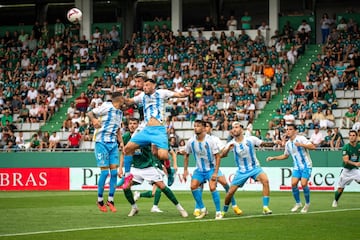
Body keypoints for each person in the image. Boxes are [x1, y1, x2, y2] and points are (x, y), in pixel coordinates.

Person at [122, 78, 190, 188]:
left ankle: (169, 171)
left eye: (147, 85)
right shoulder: (142, 96)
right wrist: (121, 97)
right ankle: (127, 176)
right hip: (146, 130)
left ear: (154, 86)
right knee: (127, 149)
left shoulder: (161, 93)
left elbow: (178, 95)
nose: (145, 87)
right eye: (144, 86)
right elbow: (129, 101)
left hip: (159, 130)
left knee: (162, 155)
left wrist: (185, 93)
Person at [119, 118, 188, 218]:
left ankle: (180, 208)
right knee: (125, 187)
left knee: (162, 187)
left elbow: (156, 149)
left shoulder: (145, 134)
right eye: (130, 124)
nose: (132, 125)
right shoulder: (125, 137)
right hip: (135, 168)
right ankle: (134, 208)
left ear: (138, 125)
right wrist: (121, 168)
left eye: (134, 123)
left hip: (148, 166)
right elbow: (124, 153)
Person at [221, 122, 274, 216]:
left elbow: (263, 144)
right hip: (241, 171)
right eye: (233, 128)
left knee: (265, 180)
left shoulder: (251, 139)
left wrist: (274, 142)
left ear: (241, 129)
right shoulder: (231, 143)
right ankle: (224, 211)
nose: (234, 129)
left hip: (254, 168)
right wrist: (228, 148)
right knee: (230, 192)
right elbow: (222, 155)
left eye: (236, 127)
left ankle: (265, 207)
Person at [191, 121, 242, 216]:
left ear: (210, 128)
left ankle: (234, 205)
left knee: (225, 183)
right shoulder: (195, 139)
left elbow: (222, 151)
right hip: (200, 167)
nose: (205, 128)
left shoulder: (214, 139)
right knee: (198, 186)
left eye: (207, 126)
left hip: (213, 167)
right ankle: (198, 208)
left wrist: (227, 150)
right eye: (204, 126)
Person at [87, 92, 125, 213]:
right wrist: (94, 120)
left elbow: (118, 130)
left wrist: (122, 143)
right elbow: (90, 112)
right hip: (101, 142)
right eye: (123, 98)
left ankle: (110, 200)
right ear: (119, 99)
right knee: (104, 173)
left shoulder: (120, 113)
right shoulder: (107, 106)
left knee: (114, 173)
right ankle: (99, 200)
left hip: (113, 144)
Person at [266, 124, 316, 213]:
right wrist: (273, 158)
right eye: (287, 129)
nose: (288, 131)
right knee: (293, 184)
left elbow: (313, 147)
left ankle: (307, 204)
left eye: (290, 129)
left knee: (304, 184)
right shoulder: (288, 143)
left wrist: (301, 144)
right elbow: (285, 155)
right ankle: (298, 203)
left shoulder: (301, 139)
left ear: (295, 131)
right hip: (296, 167)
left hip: (306, 166)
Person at [182, 119, 222, 220]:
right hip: (199, 169)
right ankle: (203, 209)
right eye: (194, 126)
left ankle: (218, 212)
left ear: (204, 128)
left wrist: (216, 172)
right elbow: (186, 155)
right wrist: (185, 170)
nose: (195, 127)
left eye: (198, 126)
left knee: (212, 188)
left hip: (210, 169)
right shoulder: (191, 141)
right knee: (193, 186)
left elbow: (218, 156)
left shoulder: (210, 141)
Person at [332, 130, 360, 207]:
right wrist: (356, 163)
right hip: (346, 171)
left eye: (353, 135)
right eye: (350, 135)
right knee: (340, 189)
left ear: (357, 137)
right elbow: (346, 160)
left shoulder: (359, 146)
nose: (351, 137)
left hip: (355, 170)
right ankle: (335, 200)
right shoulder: (346, 147)